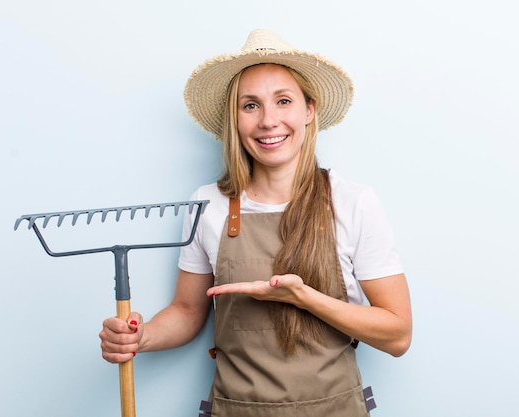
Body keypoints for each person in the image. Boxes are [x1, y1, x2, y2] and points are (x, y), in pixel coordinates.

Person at [99, 28, 412, 416]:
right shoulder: (208, 205)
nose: (268, 121)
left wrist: (303, 298)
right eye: (250, 105)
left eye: (283, 101)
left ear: (308, 110)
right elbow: (186, 312)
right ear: (235, 117)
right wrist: (140, 338)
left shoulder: (352, 203)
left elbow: (398, 335)